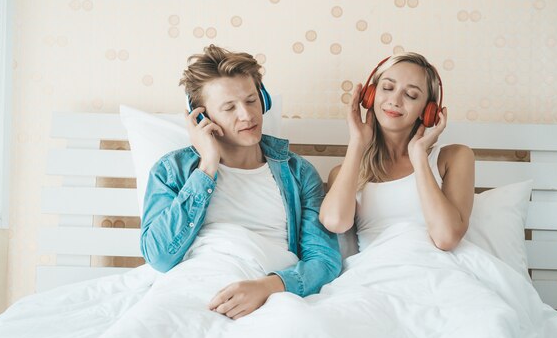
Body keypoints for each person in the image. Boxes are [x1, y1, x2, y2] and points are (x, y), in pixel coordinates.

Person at [140, 44, 342, 321]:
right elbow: (159, 257)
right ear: (202, 116)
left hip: (270, 292)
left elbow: (324, 260)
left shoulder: (299, 173)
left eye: (251, 100)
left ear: (264, 99)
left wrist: (266, 287)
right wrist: (207, 166)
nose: (247, 115)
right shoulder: (171, 171)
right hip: (195, 287)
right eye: (229, 107)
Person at [319, 52, 475, 252]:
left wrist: (419, 157)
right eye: (387, 88)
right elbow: (335, 221)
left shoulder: (455, 158)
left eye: (411, 95)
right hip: (373, 274)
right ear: (370, 96)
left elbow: (446, 238)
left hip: (439, 271)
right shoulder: (346, 172)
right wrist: (357, 141)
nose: (395, 100)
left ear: (428, 111)